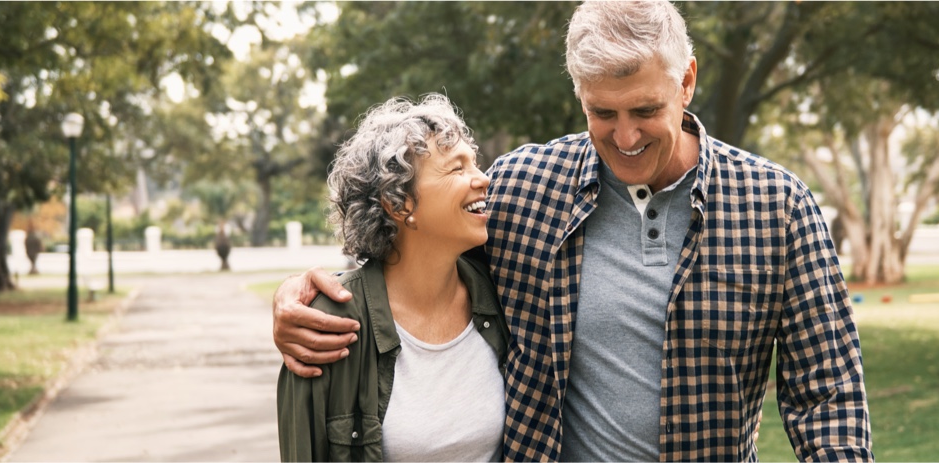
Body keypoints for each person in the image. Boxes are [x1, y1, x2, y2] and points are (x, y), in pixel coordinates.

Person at [273, 1, 872, 461]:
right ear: (580, 96)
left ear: (686, 82)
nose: (626, 137)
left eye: (644, 110)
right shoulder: (523, 188)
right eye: (602, 114)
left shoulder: (776, 205)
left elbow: (829, 394)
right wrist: (302, 295)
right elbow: (411, 243)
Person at [276, 94, 511, 461]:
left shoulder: (503, 297)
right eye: (456, 168)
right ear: (399, 203)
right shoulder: (325, 328)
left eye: (475, 164)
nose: (483, 179)